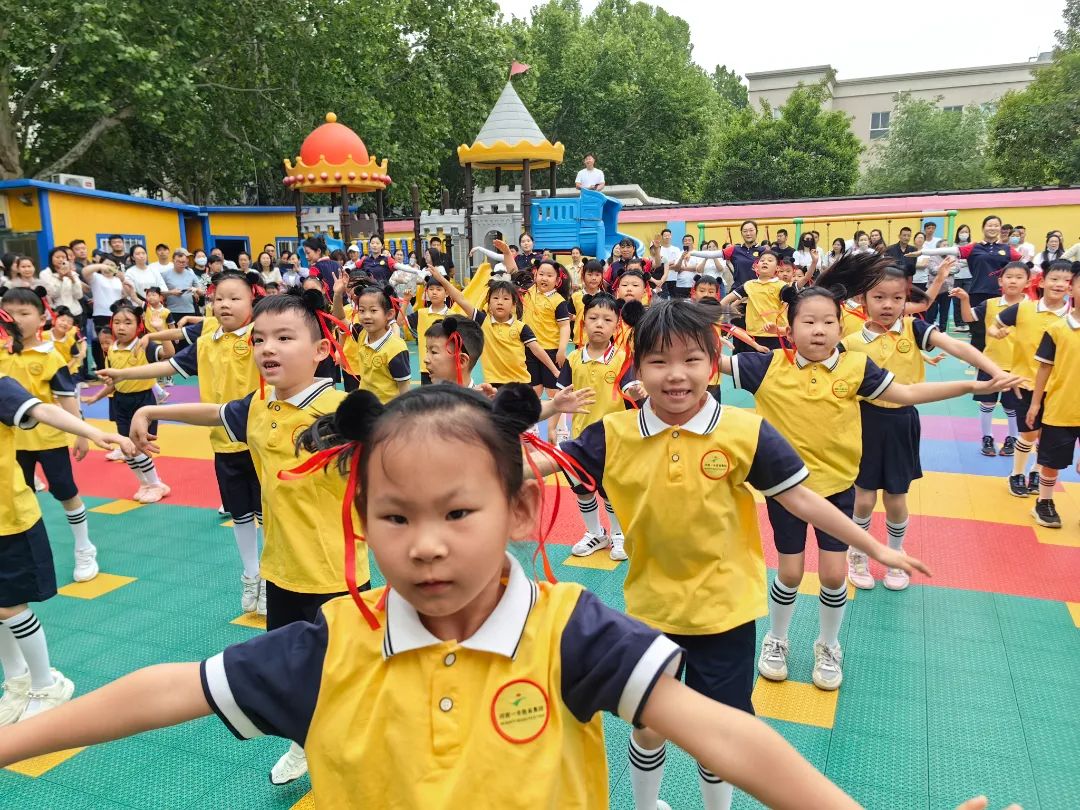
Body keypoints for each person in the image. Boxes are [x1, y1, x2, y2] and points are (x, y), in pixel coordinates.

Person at [540, 300, 928, 810]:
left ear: (712, 363)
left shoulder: (745, 431)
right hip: (651, 607)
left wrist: (874, 546)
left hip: (725, 610)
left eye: (691, 360)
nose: (675, 375)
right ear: (637, 368)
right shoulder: (614, 434)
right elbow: (533, 467)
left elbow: (801, 498)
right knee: (649, 724)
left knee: (721, 732)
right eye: (658, 361)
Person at [725, 259, 1017, 690]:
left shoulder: (856, 368)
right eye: (808, 322)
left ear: (841, 324)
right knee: (789, 572)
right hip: (785, 491)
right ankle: (777, 638)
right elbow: (704, 363)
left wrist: (972, 385)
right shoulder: (765, 367)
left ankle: (828, 644)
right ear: (789, 327)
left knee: (833, 574)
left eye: (828, 321)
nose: (819, 330)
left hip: (838, 487)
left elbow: (907, 392)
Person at [126, 290, 358, 785]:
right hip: (282, 570)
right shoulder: (258, 405)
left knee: (343, 672)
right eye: (259, 339)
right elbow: (217, 412)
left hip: (336, 576)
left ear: (321, 350)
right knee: (292, 670)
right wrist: (151, 413)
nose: (267, 348)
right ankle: (305, 741)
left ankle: (350, 747)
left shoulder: (343, 413)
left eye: (284, 337)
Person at [824, 258, 1012, 591]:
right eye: (879, 297)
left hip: (902, 422)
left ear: (906, 299)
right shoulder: (850, 340)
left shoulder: (915, 329)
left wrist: (995, 372)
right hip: (863, 421)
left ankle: (896, 554)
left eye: (897, 298)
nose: (888, 305)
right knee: (863, 498)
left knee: (897, 497)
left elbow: (957, 346)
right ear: (863, 299)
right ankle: (858, 552)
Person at [98, 271, 265, 614]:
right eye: (219, 298)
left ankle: (272, 577)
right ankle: (252, 575)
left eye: (235, 298)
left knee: (269, 516)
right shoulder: (207, 340)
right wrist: (122, 373)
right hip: (224, 443)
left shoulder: (261, 336)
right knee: (240, 515)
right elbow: (167, 366)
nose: (225, 304)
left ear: (252, 299)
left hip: (264, 443)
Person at [0, 361, 133, 727]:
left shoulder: (1, 386)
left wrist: (92, 432)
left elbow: (43, 410)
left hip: (8, 519)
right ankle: (17, 683)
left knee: (11, 607)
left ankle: (46, 685)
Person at [0, 288, 103, 583]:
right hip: (11, 444)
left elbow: (67, 398)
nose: (16, 320)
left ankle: (84, 547)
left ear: (42, 317)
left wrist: (81, 434)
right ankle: (23, 557)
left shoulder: (50, 356)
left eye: (24, 313)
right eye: (9, 314)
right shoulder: (1, 354)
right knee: (16, 501)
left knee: (65, 491)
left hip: (48, 439)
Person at [560, 293, 643, 561]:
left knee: (611, 491)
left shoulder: (622, 358)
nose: (599, 324)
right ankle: (596, 533)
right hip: (579, 439)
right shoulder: (573, 358)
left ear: (617, 325)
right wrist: (555, 428)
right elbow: (561, 395)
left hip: (613, 439)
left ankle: (618, 535)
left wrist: (639, 391)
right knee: (583, 490)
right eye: (593, 318)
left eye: (607, 320)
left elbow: (630, 388)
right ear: (583, 322)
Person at [990, 260, 1073, 500]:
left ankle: (1036, 471)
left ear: (1071, 287)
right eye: (1054, 279)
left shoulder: (1072, 317)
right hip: (1025, 383)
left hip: (1059, 388)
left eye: (1066, 281)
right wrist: (998, 333)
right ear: (1042, 282)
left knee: (1047, 435)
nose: (1059, 284)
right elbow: (994, 327)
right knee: (1029, 433)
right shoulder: (1023, 309)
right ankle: (1016, 473)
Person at [82, 302, 171, 502]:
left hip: (143, 402)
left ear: (138, 325)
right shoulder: (111, 349)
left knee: (139, 446)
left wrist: (159, 330)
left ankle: (156, 485)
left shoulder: (144, 345)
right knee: (125, 448)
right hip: (120, 402)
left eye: (128, 322)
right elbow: (115, 381)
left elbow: (169, 353)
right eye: (117, 322)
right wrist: (98, 396)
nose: (121, 327)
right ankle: (145, 484)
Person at [951, 263, 1030, 457]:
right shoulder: (990, 304)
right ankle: (987, 437)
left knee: (1012, 406)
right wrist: (965, 299)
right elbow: (968, 317)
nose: (1013, 281)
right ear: (1000, 281)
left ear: (1027, 282)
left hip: (1018, 366)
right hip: (990, 363)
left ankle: (1012, 438)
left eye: (1019, 277)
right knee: (987, 403)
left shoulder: (1032, 308)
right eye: (1009, 277)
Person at [1026, 263, 1080, 528]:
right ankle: (1044, 501)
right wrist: (1035, 403)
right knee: (1051, 460)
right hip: (1061, 409)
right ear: (1072, 289)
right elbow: (1044, 369)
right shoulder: (1058, 329)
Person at [922, 216, 1023, 351]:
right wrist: (922, 252)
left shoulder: (1007, 249)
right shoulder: (974, 247)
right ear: (983, 228)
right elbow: (948, 250)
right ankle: (978, 360)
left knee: (1001, 330)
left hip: (1000, 295)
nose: (992, 228)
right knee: (978, 332)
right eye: (989, 225)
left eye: (996, 225)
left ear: (1000, 228)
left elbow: (1023, 264)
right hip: (977, 293)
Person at [522, 259, 572, 438]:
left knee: (553, 392)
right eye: (541, 274)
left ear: (557, 280)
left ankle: (561, 430)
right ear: (535, 275)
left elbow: (565, 327)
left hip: (551, 351)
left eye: (549, 275)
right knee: (533, 391)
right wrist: (505, 252)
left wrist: (562, 349)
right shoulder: (529, 292)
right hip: (530, 350)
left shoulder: (559, 301)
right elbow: (512, 269)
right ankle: (531, 427)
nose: (544, 278)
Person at [341, 285, 411, 403]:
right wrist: (338, 294)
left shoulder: (396, 348)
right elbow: (341, 318)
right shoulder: (362, 334)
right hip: (365, 407)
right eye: (362, 311)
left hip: (387, 409)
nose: (367, 316)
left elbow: (404, 388)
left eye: (373, 311)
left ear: (389, 314)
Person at [405, 277, 451, 385]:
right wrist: (406, 301)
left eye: (438, 289)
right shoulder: (421, 313)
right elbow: (399, 322)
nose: (434, 292)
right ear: (426, 292)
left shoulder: (453, 315)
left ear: (447, 293)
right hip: (426, 368)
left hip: (447, 369)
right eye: (431, 289)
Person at [38, 247, 85, 324]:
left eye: (63, 257)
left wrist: (72, 280)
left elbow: (79, 295)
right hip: (57, 313)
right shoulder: (45, 274)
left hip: (75, 312)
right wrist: (61, 278)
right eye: (57, 257)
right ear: (51, 259)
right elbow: (52, 294)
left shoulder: (72, 273)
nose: (61, 259)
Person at [161, 251, 198, 323]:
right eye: (178, 262)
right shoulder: (164, 274)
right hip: (172, 311)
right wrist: (171, 292)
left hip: (190, 310)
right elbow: (159, 293)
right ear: (173, 261)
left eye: (183, 262)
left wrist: (195, 290)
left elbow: (201, 291)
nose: (181, 264)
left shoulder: (191, 274)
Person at [951, 225, 973, 332]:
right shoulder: (954, 246)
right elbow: (953, 261)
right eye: (962, 232)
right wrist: (964, 262)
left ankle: (967, 322)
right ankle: (958, 323)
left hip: (969, 276)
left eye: (966, 232)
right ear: (958, 233)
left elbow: (971, 261)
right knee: (956, 301)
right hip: (956, 277)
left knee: (967, 299)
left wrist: (961, 262)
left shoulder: (971, 246)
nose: (964, 234)